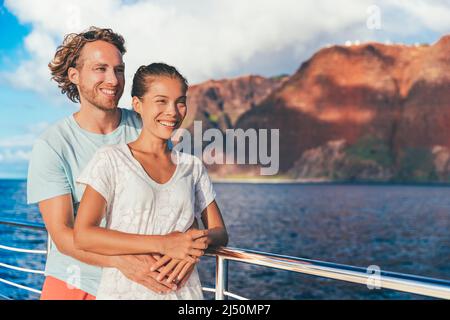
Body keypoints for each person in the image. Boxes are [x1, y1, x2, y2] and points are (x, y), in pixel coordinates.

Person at [27, 27, 199, 299]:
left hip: (141, 287)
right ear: (75, 75)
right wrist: (122, 261)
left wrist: (186, 254)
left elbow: (181, 205)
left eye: (119, 70)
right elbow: (62, 235)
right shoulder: (52, 145)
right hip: (77, 285)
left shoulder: (147, 126)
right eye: (100, 69)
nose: (113, 80)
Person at [73, 63, 228, 300]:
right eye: (161, 101)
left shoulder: (192, 166)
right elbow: (83, 234)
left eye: (180, 102)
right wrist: (166, 244)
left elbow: (219, 233)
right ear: (138, 105)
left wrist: (192, 243)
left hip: (185, 294)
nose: (173, 112)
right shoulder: (111, 159)